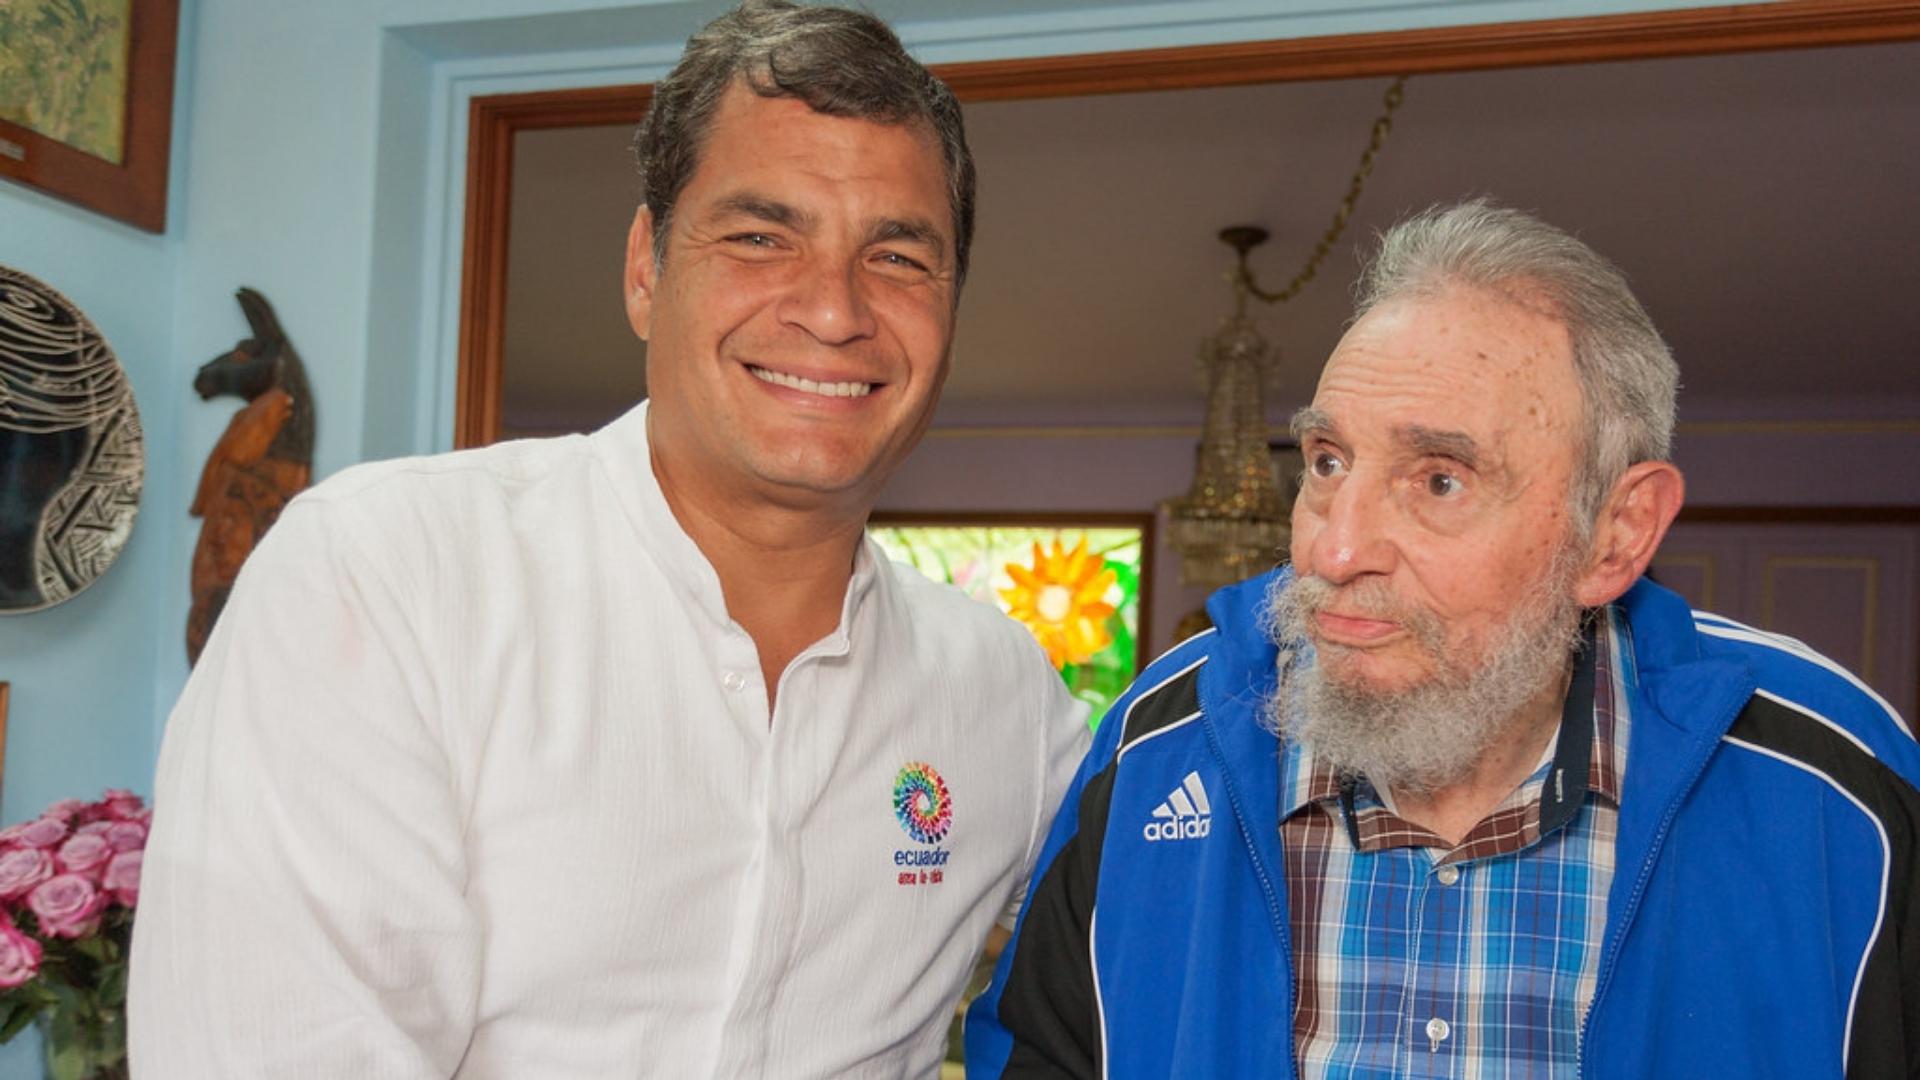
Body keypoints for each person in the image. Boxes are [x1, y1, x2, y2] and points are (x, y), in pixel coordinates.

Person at [129, 3, 1087, 1075]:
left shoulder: (1005, 697)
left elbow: (1158, 952)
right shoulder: (383, 575)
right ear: (646, 268)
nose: (834, 311)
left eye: (900, 257)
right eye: (761, 237)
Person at [967, 200, 1920, 1078]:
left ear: (1615, 535)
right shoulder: (1156, 742)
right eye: (1328, 462)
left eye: (1439, 481)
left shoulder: (1839, 788)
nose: (1333, 548)